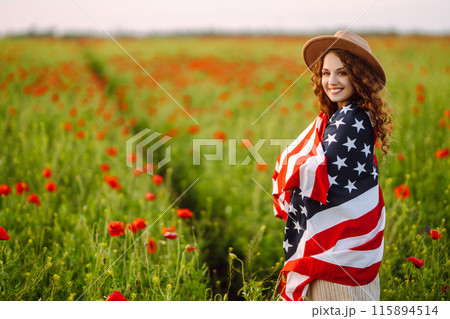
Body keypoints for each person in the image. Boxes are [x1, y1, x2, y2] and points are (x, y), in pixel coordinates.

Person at [272, 30, 392, 301]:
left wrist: (289, 163)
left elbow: (318, 172)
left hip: (336, 259)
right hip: (341, 254)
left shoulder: (351, 120)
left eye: (342, 72)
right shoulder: (344, 116)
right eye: (326, 73)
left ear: (358, 76)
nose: (331, 81)